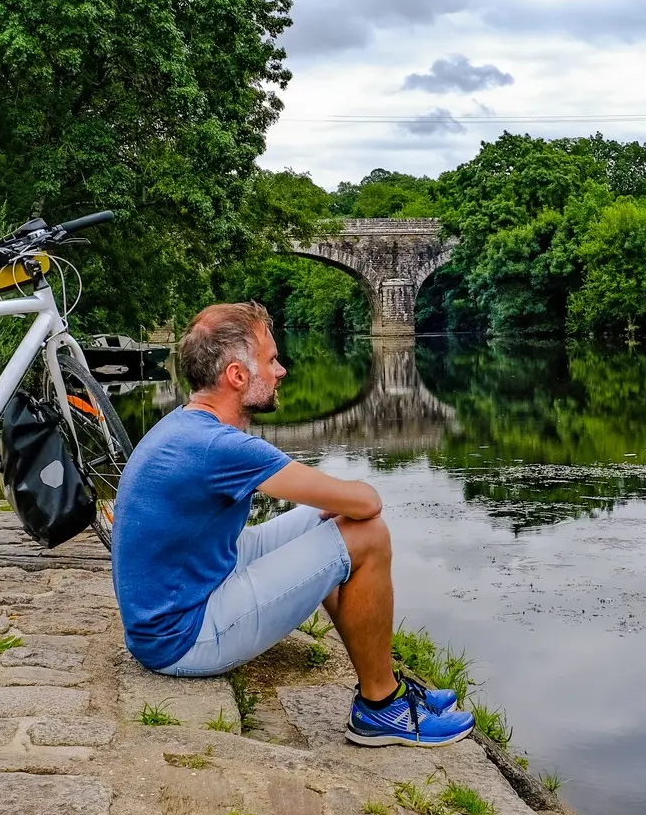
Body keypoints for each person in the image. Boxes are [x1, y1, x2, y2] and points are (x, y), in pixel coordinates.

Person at [111, 302, 475, 747]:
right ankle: (381, 707)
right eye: (271, 360)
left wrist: (338, 514)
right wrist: (349, 509)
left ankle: (381, 679)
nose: (281, 370)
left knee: (325, 522)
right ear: (236, 376)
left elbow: (338, 504)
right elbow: (368, 501)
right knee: (367, 533)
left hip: (180, 599)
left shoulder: (184, 425)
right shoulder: (220, 447)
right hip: (183, 637)